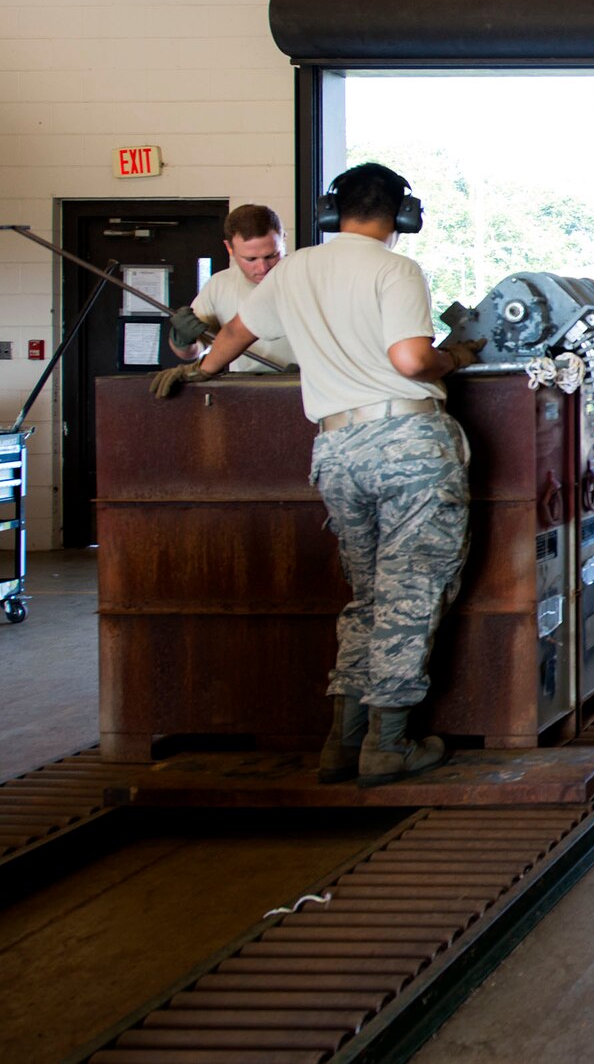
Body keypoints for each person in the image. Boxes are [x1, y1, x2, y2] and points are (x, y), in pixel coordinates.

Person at [149, 164, 485, 785]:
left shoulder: (296, 267)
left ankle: (342, 740)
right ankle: (389, 744)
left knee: (366, 596)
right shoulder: (395, 269)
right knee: (409, 592)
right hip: (406, 442)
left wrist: (198, 371)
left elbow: (235, 334)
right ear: (403, 216)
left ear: (333, 214)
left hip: (334, 450)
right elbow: (411, 359)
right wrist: (457, 355)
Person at [167, 204, 298, 372]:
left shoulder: (306, 280)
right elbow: (193, 352)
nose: (262, 268)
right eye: (251, 259)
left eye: (271, 256)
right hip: (243, 388)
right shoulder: (219, 286)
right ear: (230, 248)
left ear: (283, 240)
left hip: (305, 388)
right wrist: (183, 340)